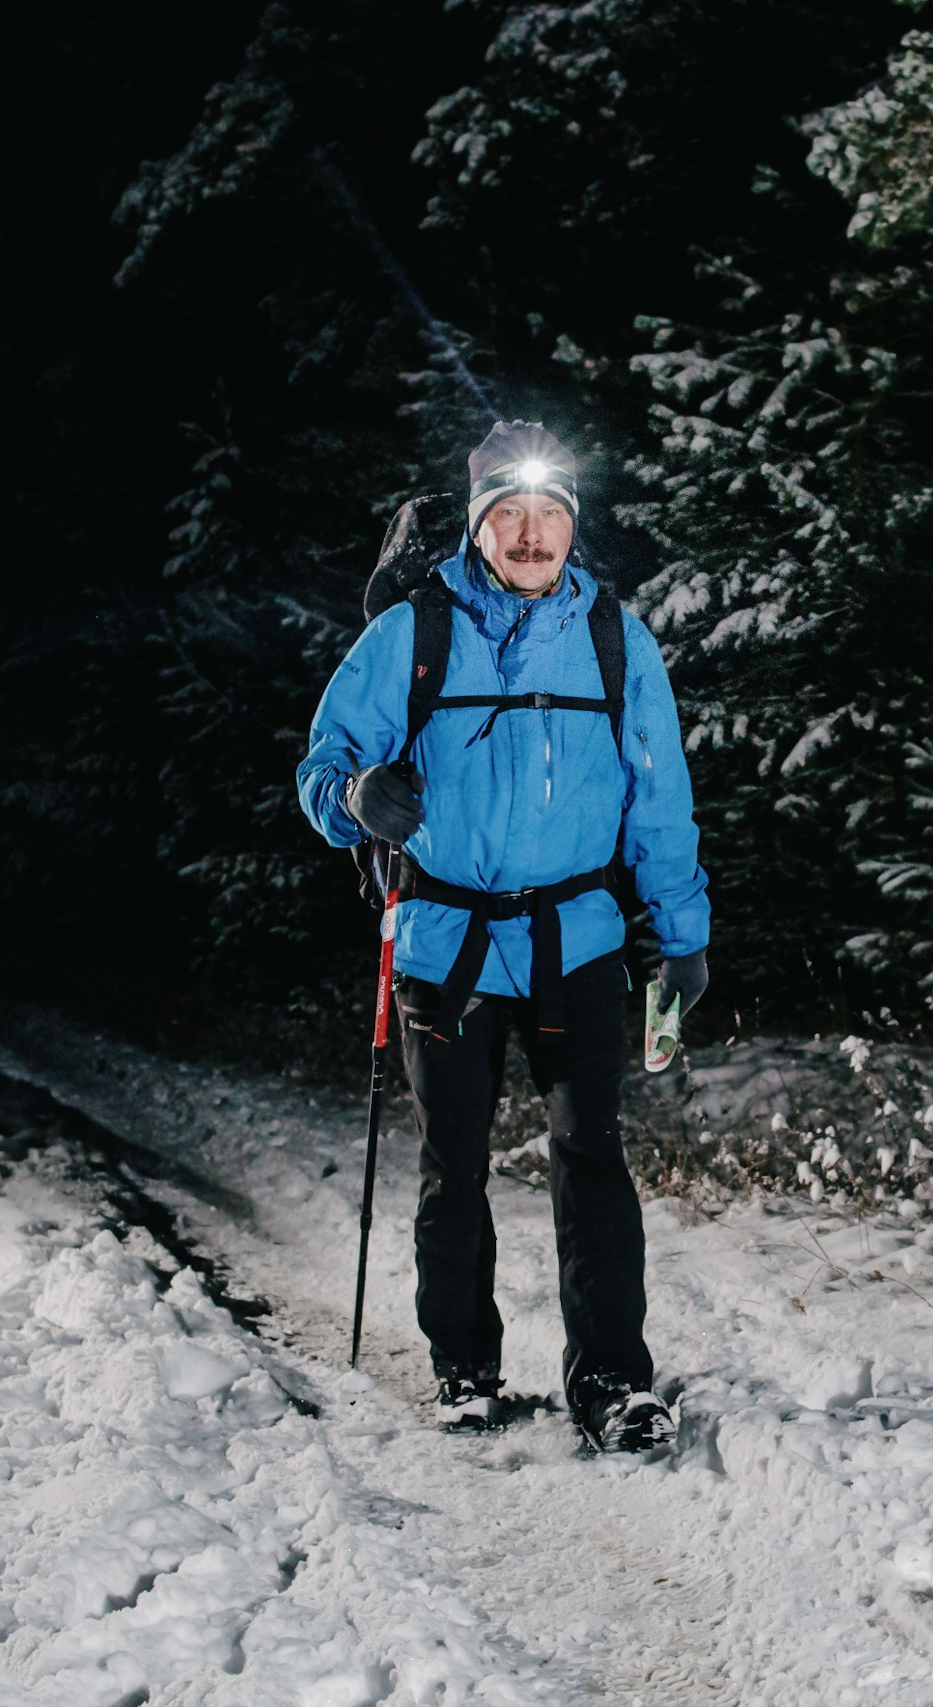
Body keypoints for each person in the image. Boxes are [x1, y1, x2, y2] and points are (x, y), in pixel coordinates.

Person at [295, 422, 711, 1450]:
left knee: (592, 1155)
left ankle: (612, 1383)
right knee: (456, 1165)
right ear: (479, 526)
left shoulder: (616, 639)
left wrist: (682, 935)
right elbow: (323, 767)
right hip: (444, 943)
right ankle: (465, 1371)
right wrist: (355, 796)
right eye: (510, 515)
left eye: (549, 515)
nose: (531, 535)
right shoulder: (412, 635)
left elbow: (660, 804)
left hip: (578, 939)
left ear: (571, 525)